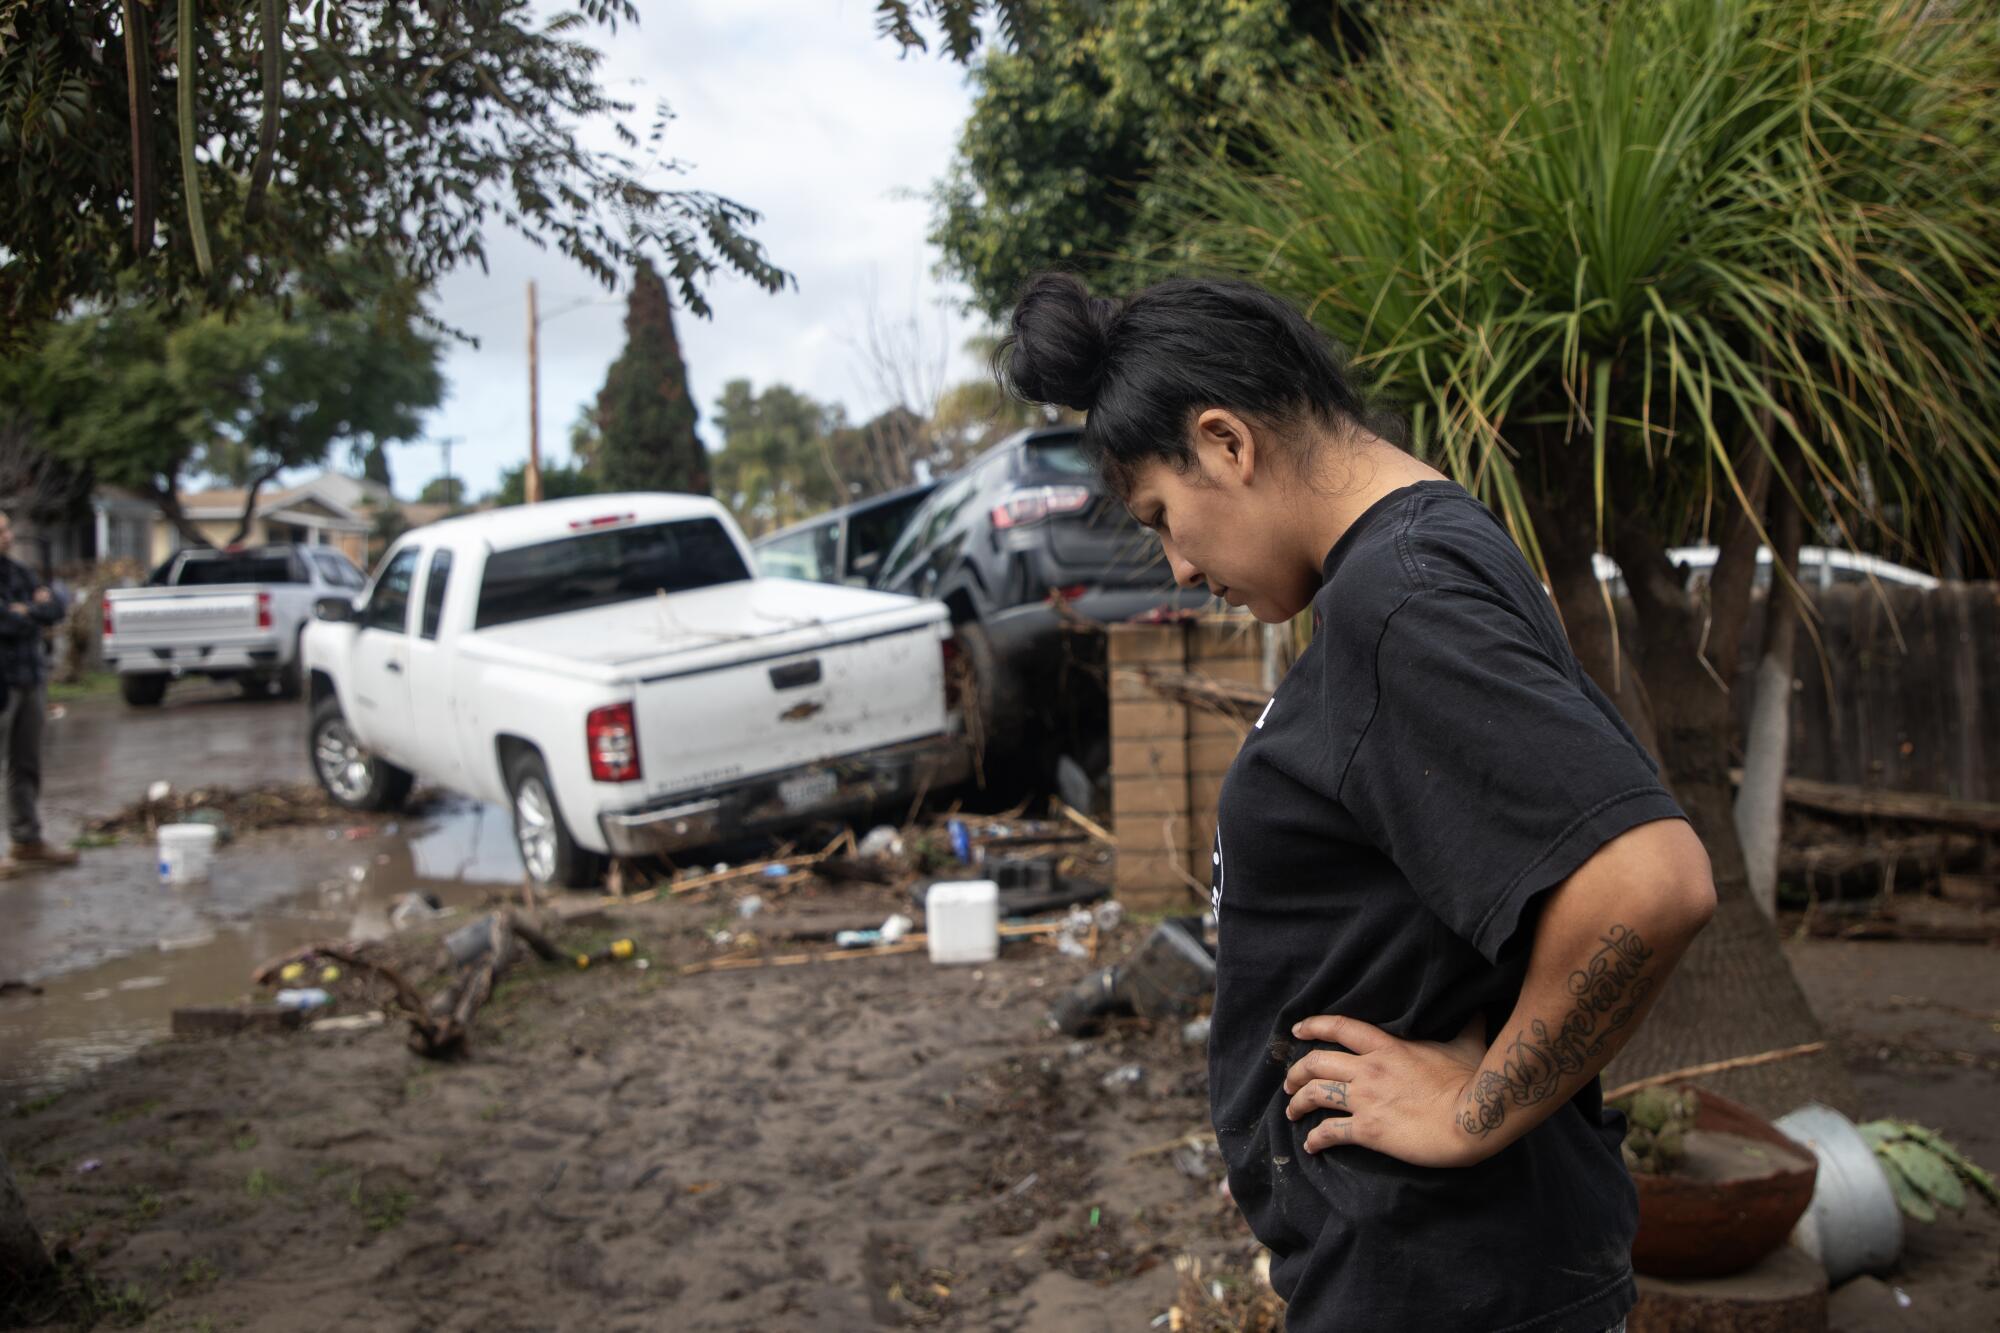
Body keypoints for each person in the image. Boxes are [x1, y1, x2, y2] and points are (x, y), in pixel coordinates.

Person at [999, 274, 1717, 1333]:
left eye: (1162, 515)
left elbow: (1647, 881)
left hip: (1450, 1283)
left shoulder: (1401, 596)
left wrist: (1473, 1110)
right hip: (1446, 1270)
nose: (1181, 564)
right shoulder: (1419, 557)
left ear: (1225, 444)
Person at [0, 511, 79, 879]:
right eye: (1, 531)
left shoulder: (18, 572)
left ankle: (27, 840)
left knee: (25, 763)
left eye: (7, 529)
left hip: (29, 677)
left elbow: (56, 608)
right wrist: (32, 610)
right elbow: (7, 621)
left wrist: (27, 610)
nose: (8, 536)